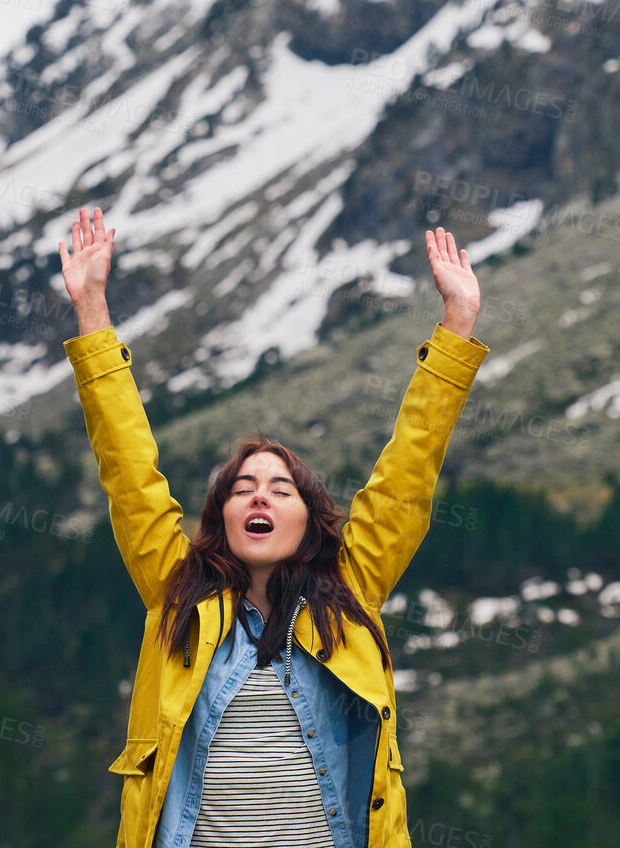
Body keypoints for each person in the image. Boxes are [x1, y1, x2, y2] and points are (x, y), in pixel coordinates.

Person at [59, 204, 489, 848]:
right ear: (222, 516)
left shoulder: (354, 583)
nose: (259, 497)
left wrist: (457, 325)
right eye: (243, 488)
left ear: (311, 522)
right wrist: (92, 309)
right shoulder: (176, 589)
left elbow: (409, 470)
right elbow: (128, 470)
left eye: (281, 489)